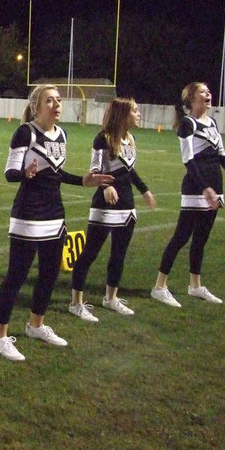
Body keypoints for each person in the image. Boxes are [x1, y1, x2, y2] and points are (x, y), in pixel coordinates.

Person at [0, 84, 113, 362]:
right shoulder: (26, 132)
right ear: (37, 107)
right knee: (16, 276)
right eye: (50, 100)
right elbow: (10, 172)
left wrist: (83, 181)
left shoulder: (62, 134)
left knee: (49, 273)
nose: (57, 104)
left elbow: (56, 173)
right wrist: (26, 173)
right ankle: (0, 336)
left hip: (55, 213)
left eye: (58, 100)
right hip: (28, 213)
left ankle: (36, 325)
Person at [69, 98, 156, 321]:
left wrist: (144, 190)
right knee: (89, 254)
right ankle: (76, 303)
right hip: (105, 205)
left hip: (127, 206)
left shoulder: (131, 139)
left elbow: (129, 171)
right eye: (134, 111)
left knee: (119, 255)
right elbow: (94, 170)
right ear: (123, 115)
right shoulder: (103, 138)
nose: (139, 114)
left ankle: (111, 298)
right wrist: (105, 186)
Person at [151, 82, 225, 307]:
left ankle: (195, 286)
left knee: (201, 239)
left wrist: (215, 188)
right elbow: (188, 160)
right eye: (203, 92)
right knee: (181, 237)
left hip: (216, 187)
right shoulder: (188, 123)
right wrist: (205, 188)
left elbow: (222, 156)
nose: (208, 94)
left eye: (208, 91)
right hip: (197, 189)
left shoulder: (212, 123)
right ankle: (159, 286)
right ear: (192, 98)